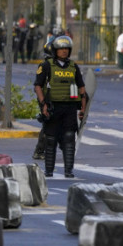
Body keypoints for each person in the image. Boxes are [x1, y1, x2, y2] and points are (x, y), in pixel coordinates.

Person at [34, 35, 87, 178]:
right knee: (51, 140)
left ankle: (69, 170)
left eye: (66, 49)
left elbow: (82, 89)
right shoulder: (46, 65)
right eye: (61, 49)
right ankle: (49, 171)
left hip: (69, 108)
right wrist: (43, 103)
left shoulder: (73, 67)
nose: (64, 51)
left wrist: (83, 109)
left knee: (69, 139)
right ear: (55, 50)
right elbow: (38, 86)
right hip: (53, 107)